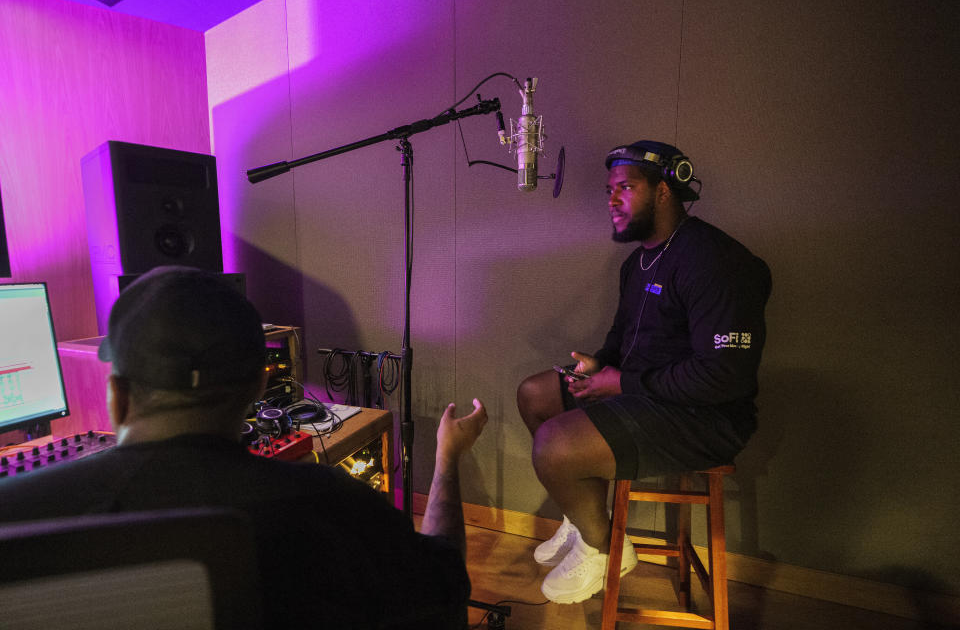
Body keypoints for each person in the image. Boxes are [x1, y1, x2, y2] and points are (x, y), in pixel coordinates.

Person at [0, 265, 487, 629]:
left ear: (116, 394)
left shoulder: (16, 511)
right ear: (258, 386)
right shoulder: (337, 503)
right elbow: (445, 592)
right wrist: (447, 457)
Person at [516, 140, 771, 604]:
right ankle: (583, 517)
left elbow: (724, 377)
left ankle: (602, 550)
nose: (612, 199)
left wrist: (621, 381)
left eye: (626, 187)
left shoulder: (716, 261)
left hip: (706, 417)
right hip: (644, 395)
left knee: (554, 445)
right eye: (609, 189)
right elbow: (623, 340)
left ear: (664, 192)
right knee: (535, 394)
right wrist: (599, 365)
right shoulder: (637, 263)